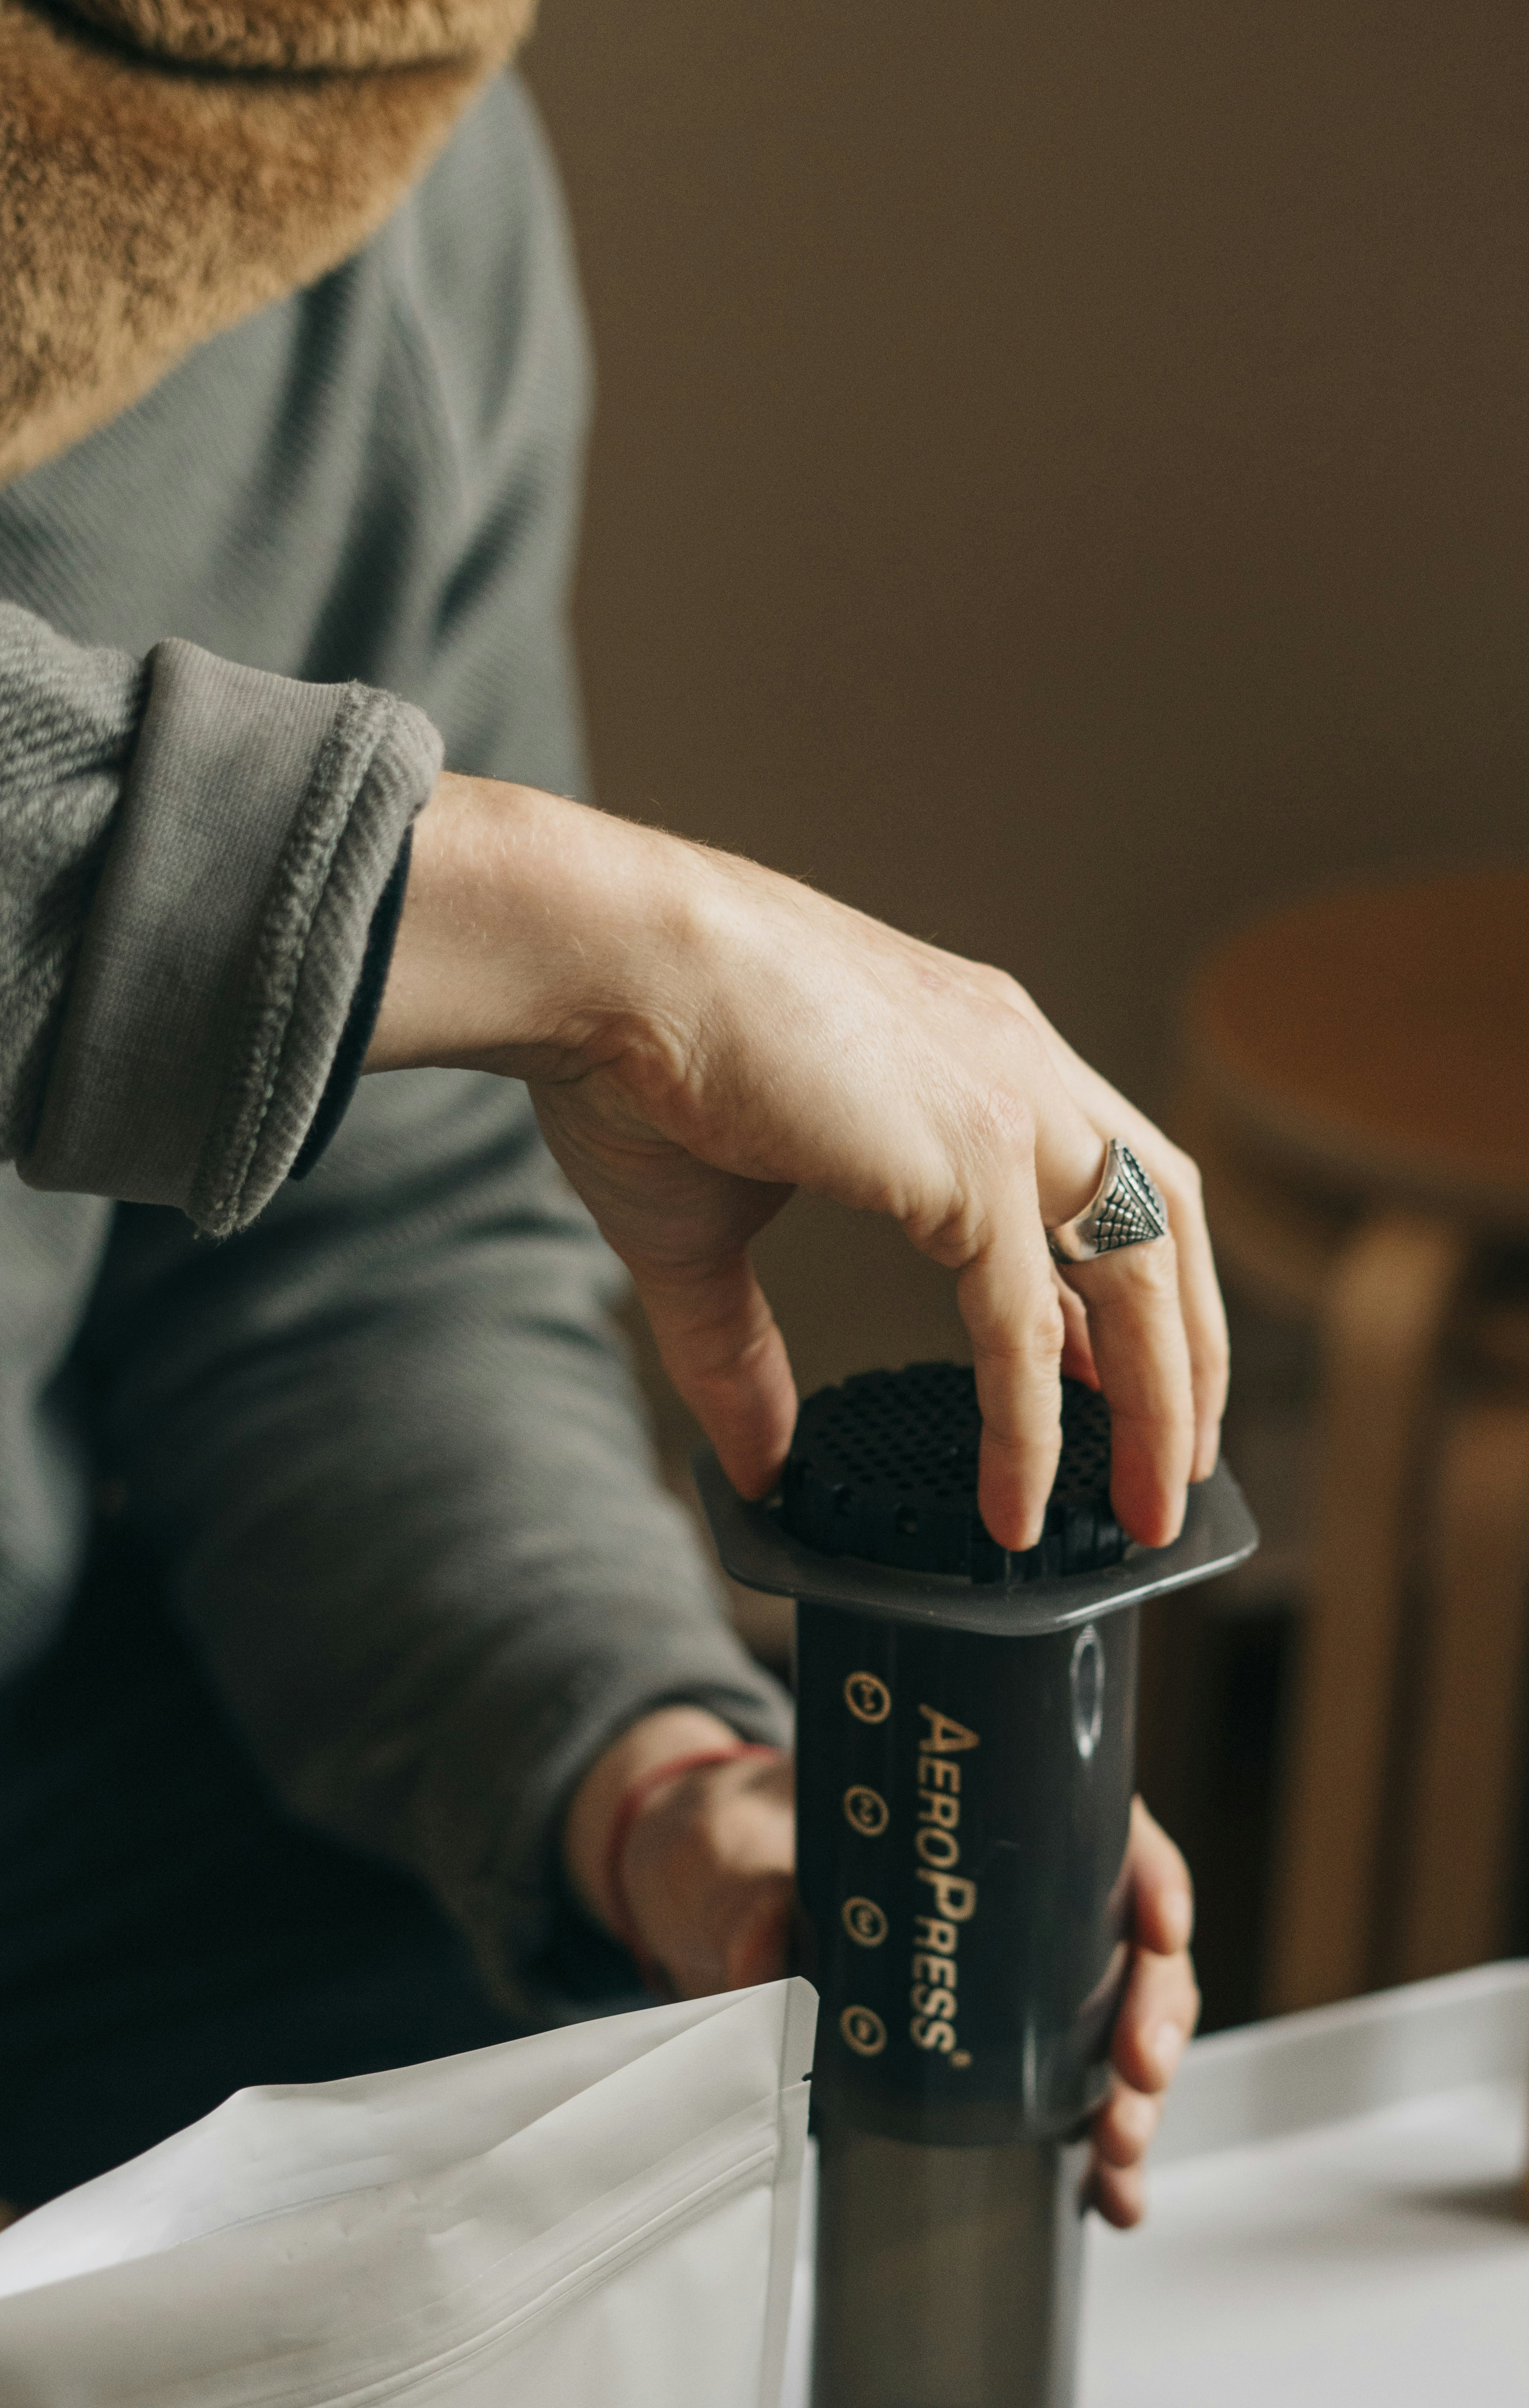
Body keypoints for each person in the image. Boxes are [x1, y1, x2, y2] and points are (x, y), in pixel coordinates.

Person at [0, 7, 1227, 2221]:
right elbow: (441, 965)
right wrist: (552, 931)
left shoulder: (371, 174)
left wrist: (651, 1772)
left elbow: (340, 1265)